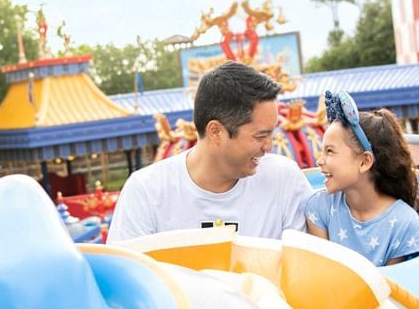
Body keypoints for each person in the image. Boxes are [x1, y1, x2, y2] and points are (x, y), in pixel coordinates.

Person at [107, 61, 313, 241]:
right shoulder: (146, 191)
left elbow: (308, 267)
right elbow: (126, 275)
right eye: (260, 136)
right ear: (215, 131)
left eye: (271, 134)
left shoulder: (284, 180)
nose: (269, 146)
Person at [305, 90, 419, 266]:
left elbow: (392, 287)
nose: (319, 161)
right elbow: (322, 272)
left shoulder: (404, 222)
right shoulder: (319, 206)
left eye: (329, 151)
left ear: (364, 161)